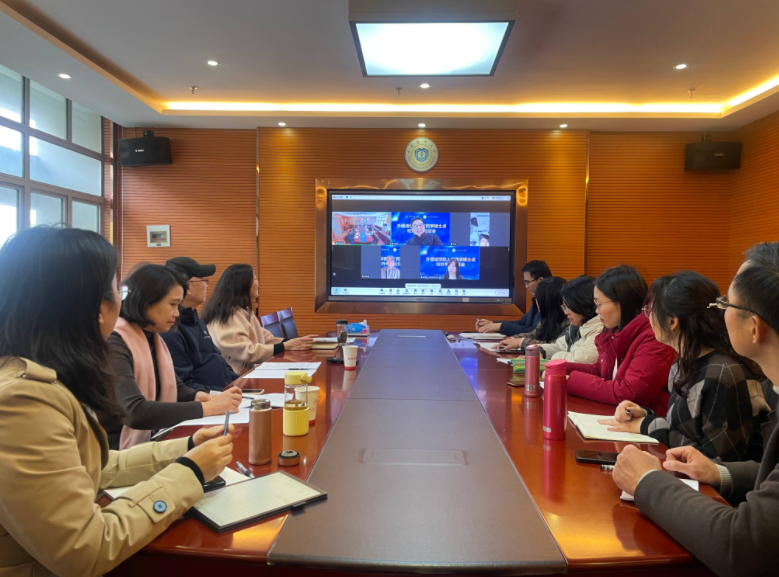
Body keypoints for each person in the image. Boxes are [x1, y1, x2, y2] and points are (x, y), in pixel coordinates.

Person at [0, 227, 234, 577]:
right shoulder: (22, 400)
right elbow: (85, 549)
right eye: (117, 291)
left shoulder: (45, 377)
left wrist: (185, 448)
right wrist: (190, 473)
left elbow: (92, 466)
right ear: (96, 308)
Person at [611, 243, 779, 577]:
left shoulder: (723, 371)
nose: (718, 311)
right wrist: (718, 472)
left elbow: (743, 547)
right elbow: (768, 475)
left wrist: (646, 481)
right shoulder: (686, 364)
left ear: (754, 327)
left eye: (725, 303)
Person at [599, 271, 768, 462]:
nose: (648, 317)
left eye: (651, 309)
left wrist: (648, 425)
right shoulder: (683, 363)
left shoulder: (722, 373)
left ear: (672, 321)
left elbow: (717, 463)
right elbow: (684, 432)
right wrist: (644, 415)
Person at [103, 263, 242, 449]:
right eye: (173, 304)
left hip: (153, 438)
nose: (177, 313)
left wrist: (201, 396)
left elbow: (177, 388)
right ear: (147, 300)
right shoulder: (116, 342)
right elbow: (134, 412)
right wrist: (206, 408)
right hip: (114, 451)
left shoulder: (153, 338)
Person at [565, 265, 675, 415]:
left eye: (599, 304)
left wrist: (569, 381)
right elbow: (601, 370)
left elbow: (629, 392)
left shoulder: (653, 337)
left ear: (622, 301)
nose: (597, 311)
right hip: (618, 415)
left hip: (647, 421)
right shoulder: (615, 329)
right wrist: (559, 368)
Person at [203, 264, 317, 374]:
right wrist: (285, 346)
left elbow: (265, 339)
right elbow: (246, 351)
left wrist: (293, 342)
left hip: (249, 373)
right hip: (235, 378)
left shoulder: (244, 311)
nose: (258, 283)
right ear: (243, 285)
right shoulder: (227, 315)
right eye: (255, 279)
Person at [161, 257, 240, 391]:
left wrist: (240, 384)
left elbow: (220, 361)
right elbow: (185, 385)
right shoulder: (170, 329)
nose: (207, 286)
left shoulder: (197, 321)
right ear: (188, 287)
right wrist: (222, 395)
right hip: (208, 399)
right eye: (204, 281)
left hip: (224, 393)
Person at [537, 275, 603, 362]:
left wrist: (554, 358)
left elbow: (580, 360)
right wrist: (541, 351)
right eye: (564, 306)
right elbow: (560, 346)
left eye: (569, 307)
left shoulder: (600, 329)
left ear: (583, 304)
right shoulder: (577, 326)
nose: (565, 312)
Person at [476, 260, 551, 335]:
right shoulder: (537, 299)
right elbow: (523, 323)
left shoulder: (551, 302)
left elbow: (534, 332)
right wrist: (493, 324)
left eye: (528, 282)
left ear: (540, 280)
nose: (526, 286)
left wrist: (500, 326)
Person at [497, 277, 568, 351]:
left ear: (545, 301)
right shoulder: (547, 319)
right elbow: (533, 335)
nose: (536, 301)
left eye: (537, 297)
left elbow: (554, 347)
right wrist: (512, 339)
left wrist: (521, 342)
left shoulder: (569, 321)